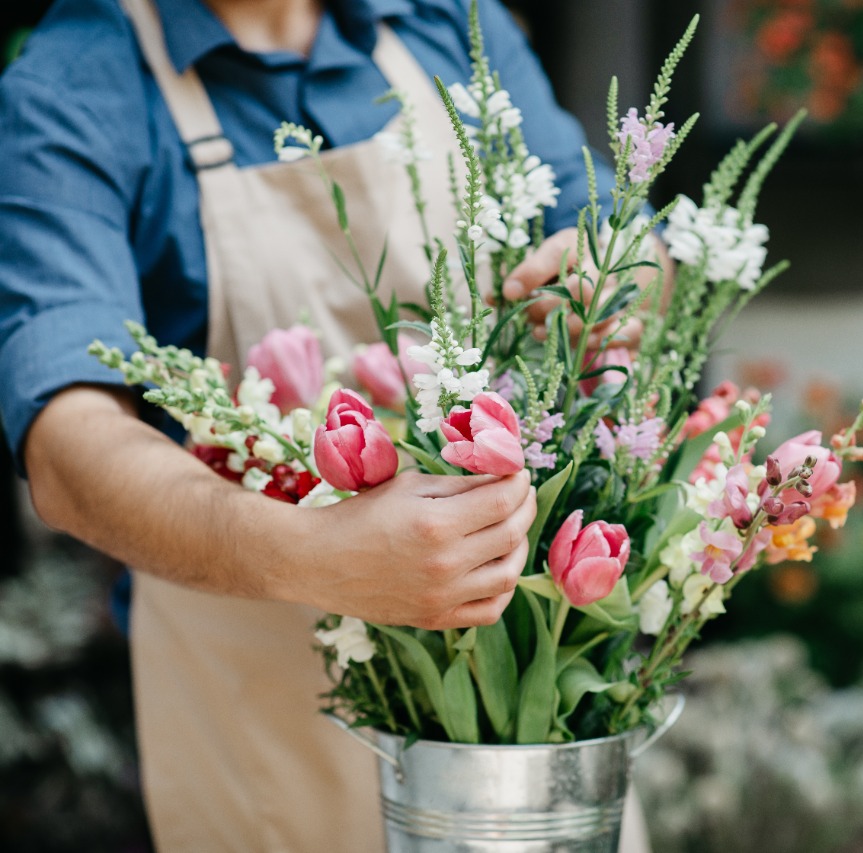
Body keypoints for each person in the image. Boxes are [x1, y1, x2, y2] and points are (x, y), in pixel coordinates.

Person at [0, 0, 650, 849]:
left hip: (534, 731)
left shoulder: (447, 22)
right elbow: (68, 441)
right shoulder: (76, 83)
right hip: (258, 721)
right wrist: (322, 556)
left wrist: (609, 281)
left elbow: (625, 237)